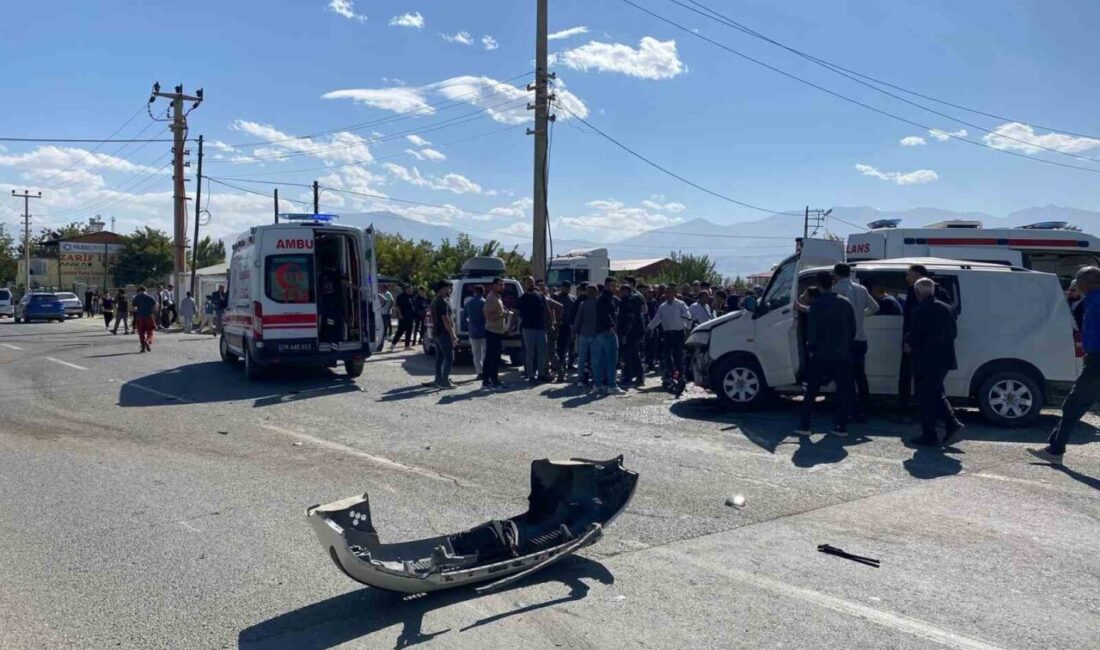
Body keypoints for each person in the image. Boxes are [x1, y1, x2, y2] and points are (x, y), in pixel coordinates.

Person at [1036, 266, 1100, 462]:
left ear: (1086, 284)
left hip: (1097, 360)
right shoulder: (1091, 300)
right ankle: (1055, 447)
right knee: (1076, 403)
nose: (1076, 287)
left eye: (1079, 283)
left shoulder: (1095, 302)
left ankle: (1055, 450)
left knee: (1074, 404)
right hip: (1094, 358)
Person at [796, 272, 856, 437]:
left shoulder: (817, 304)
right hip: (842, 354)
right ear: (833, 283)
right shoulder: (845, 303)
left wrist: (811, 348)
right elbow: (852, 329)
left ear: (819, 285)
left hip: (821, 353)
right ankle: (841, 426)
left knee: (811, 391)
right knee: (843, 391)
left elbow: (813, 331)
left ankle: (805, 425)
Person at [908, 278, 964, 446]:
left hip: (925, 359)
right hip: (944, 359)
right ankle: (950, 425)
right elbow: (954, 333)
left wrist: (908, 343)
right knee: (936, 392)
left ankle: (934, 432)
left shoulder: (919, 311)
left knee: (926, 397)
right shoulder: (948, 308)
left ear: (918, 292)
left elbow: (915, 336)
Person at [900, 265, 953, 413]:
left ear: (917, 275)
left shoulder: (933, 295)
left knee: (929, 385)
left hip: (922, 347)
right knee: (923, 382)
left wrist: (909, 341)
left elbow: (914, 321)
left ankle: (936, 416)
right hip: (924, 346)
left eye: (908, 275)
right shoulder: (941, 297)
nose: (906, 278)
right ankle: (936, 415)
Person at [833, 263, 879, 421]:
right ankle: (864, 408)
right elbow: (875, 307)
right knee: (860, 376)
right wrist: (861, 316)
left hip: (844, 341)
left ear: (836, 274)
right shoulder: (862, 289)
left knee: (846, 377)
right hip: (861, 338)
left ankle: (849, 409)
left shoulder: (836, 290)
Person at [647, 286, 691, 380]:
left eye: (670, 292)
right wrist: (649, 327)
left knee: (678, 355)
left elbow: (687, 316)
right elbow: (657, 318)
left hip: (678, 333)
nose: (668, 294)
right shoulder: (663, 306)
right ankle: (670, 373)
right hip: (667, 334)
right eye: (666, 292)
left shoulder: (681, 304)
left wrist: (688, 329)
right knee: (667, 355)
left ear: (674, 293)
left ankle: (679, 375)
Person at [516, 276, 549, 383]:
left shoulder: (540, 296)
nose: (530, 284)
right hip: (527, 328)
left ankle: (541, 374)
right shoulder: (522, 299)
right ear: (524, 284)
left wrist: (551, 323)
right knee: (530, 352)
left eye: (532, 282)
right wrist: (512, 327)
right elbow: (516, 313)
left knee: (542, 352)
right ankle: (530, 375)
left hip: (540, 328)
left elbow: (546, 310)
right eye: (528, 282)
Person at [593, 277, 622, 395]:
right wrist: (611, 326)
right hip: (607, 332)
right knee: (611, 360)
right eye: (612, 286)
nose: (615, 288)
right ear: (606, 286)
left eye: (615, 285)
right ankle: (612, 385)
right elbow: (606, 314)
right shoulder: (606, 298)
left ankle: (598, 384)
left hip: (600, 332)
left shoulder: (603, 298)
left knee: (602, 360)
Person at [482, 277, 511, 389]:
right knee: (492, 357)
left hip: (498, 331)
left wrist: (503, 313)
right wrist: (503, 315)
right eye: (500, 285)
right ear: (493, 285)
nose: (502, 287)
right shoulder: (491, 298)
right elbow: (487, 315)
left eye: (503, 285)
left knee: (495, 357)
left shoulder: (497, 297)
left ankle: (491, 380)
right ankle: (491, 380)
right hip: (492, 331)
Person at [617, 278, 647, 388]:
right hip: (637, 332)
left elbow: (630, 318)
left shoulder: (629, 300)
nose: (621, 293)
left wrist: (625, 334)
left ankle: (630, 377)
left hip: (631, 333)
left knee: (630, 355)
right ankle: (638, 377)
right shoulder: (635, 298)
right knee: (634, 355)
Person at [428, 282, 458, 388]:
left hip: (436, 332)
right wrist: (453, 334)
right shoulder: (442, 302)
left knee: (439, 358)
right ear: (443, 289)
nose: (450, 290)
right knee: (449, 357)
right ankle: (445, 382)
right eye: (448, 288)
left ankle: (438, 379)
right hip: (443, 333)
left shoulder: (435, 301)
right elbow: (445, 319)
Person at [573, 284, 600, 388]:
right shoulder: (599, 304)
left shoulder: (583, 304)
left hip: (584, 334)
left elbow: (578, 319)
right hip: (596, 335)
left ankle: (581, 379)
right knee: (595, 359)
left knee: (582, 358)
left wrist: (574, 331)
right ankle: (596, 379)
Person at [464, 285, 487, 379]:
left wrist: (467, 327)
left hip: (473, 331)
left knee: (476, 354)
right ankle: (485, 371)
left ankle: (479, 372)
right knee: (485, 353)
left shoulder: (469, 303)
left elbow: (464, 317)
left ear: (475, 292)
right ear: (483, 292)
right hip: (485, 331)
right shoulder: (485, 303)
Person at [555, 282, 577, 374]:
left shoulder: (572, 299)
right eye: (565, 288)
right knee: (560, 347)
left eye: (568, 288)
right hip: (558, 325)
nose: (566, 290)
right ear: (561, 287)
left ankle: (570, 364)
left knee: (570, 346)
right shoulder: (555, 297)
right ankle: (560, 364)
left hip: (569, 325)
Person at [132, 286, 158, 353]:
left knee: (141, 333)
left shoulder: (136, 297)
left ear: (140, 291)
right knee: (150, 331)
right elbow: (155, 306)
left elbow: (133, 307)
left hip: (140, 317)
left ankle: (143, 347)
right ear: (145, 290)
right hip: (149, 317)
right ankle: (148, 341)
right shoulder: (150, 297)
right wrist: (153, 313)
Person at [391, 285, 416, 350]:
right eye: (409, 289)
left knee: (409, 331)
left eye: (411, 289)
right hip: (403, 316)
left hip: (410, 316)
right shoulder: (401, 297)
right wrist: (400, 314)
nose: (411, 290)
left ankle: (407, 346)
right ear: (406, 289)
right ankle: (393, 344)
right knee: (400, 330)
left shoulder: (412, 297)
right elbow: (397, 306)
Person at [378, 283, 394, 348]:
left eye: (382, 287)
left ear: (385, 288)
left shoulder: (388, 294)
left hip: (387, 311)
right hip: (382, 311)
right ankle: (384, 335)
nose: (381, 288)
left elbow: (392, 302)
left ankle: (389, 334)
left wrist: (389, 308)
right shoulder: (381, 293)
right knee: (383, 323)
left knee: (388, 323)